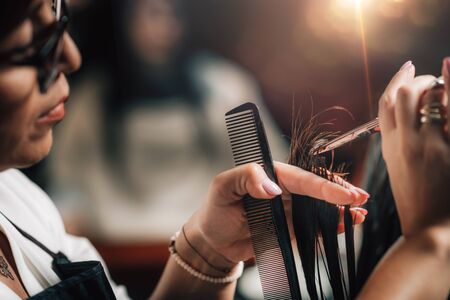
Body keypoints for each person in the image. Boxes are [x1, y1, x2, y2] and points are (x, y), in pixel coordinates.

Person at [0, 1, 447, 300]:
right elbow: (78, 185)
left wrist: (208, 253)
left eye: (56, 19)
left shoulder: (20, 200)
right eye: (27, 43)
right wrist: (432, 240)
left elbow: (270, 159)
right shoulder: (94, 104)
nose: (70, 57)